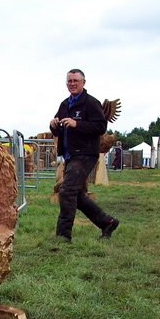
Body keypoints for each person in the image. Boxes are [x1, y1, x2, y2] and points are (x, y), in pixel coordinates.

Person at [49, 69, 119, 241]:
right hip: (70, 155)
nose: (72, 84)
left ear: (83, 83)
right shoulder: (65, 104)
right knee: (76, 194)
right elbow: (59, 128)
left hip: (86, 154)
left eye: (75, 81)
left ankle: (63, 235)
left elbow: (100, 127)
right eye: (69, 81)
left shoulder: (91, 103)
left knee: (66, 191)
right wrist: (53, 125)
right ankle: (107, 222)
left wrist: (77, 124)